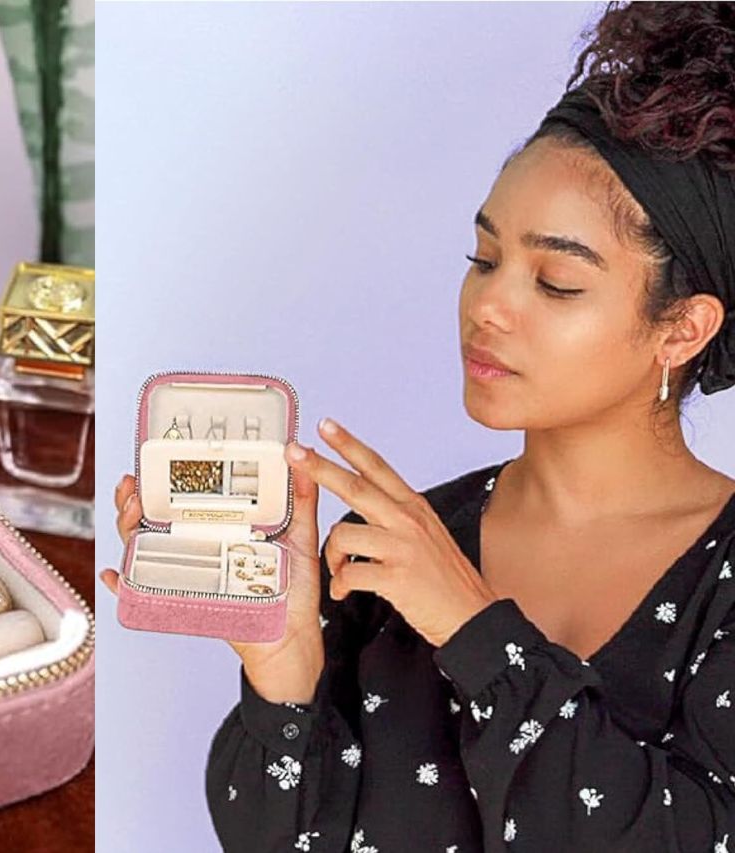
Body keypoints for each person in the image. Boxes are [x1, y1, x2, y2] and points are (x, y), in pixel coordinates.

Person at [101, 2, 735, 850]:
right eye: (483, 258)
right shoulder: (389, 550)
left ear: (684, 328)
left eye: (555, 282)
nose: (489, 306)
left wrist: (478, 634)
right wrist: (281, 678)